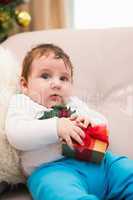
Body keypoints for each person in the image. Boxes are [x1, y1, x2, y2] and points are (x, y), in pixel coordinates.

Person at [5, 44, 133, 200]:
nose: (57, 84)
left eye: (64, 78)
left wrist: (90, 120)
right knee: (59, 192)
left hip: (101, 164)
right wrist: (56, 127)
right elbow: (16, 134)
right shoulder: (23, 103)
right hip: (52, 171)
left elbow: (102, 122)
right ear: (25, 85)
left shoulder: (74, 103)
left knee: (125, 170)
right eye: (45, 76)